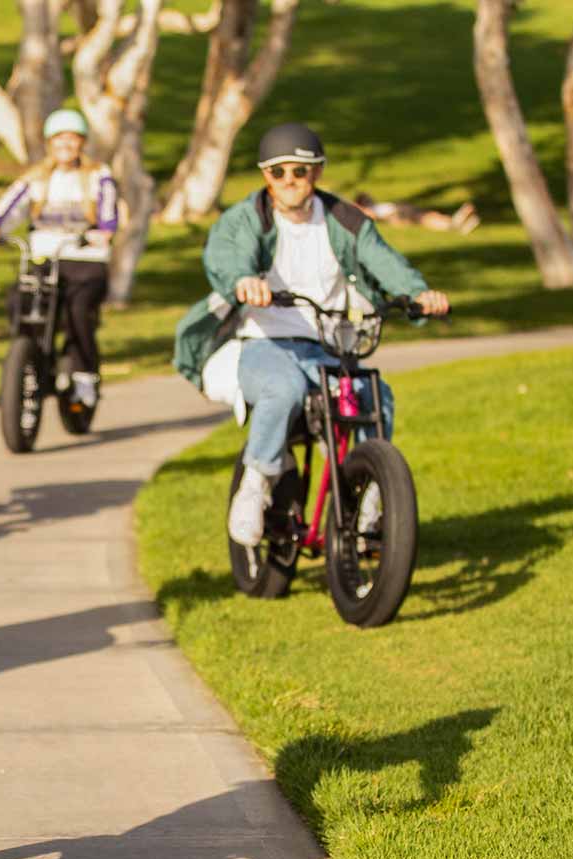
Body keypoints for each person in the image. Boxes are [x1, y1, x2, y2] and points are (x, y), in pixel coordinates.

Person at [169, 121, 450, 548]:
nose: (289, 182)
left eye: (299, 172)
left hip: (327, 346)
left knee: (376, 396)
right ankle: (255, 485)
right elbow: (227, 255)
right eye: (278, 172)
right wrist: (243, 280)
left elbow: (384, 260)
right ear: (266, 176)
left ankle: (373, 492)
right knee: (283, 389)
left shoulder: (344, 220)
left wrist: (417, 293)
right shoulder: (247, 219)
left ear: (316, 173)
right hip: (262, 342)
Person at [0, 108, 117, 409]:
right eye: (59, 139)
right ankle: (28, 358)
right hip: (44, 259)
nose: (66, 145)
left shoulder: (97, 176)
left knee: (78, 312)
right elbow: (9, 205)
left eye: (73, 138)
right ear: (49, 143)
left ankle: (84, 377)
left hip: (85, 260)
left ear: (82, 143)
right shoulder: (37, 178)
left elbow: (108, 212)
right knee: (19, 301)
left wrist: (104, 232)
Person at [351, 191, 479, 234]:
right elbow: (366, 214)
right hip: (398, 214)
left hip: (400, 210)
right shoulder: (368, 211)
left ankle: (460, 223)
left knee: (429, 216)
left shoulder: (375, 206)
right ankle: (458, 220)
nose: (369, 197)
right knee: (427, 218)